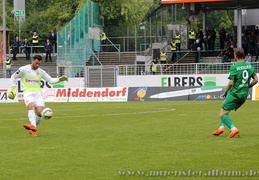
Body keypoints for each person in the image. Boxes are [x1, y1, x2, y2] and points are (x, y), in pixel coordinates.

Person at [8, 55, 68, 136]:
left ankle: (32, 129)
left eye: (39, 64)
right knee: (30, 106)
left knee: (40, 113)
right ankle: (33, 126)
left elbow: (50, 80)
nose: (38, 65)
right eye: (36, 63)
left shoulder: (41, 71)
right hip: (28, 93)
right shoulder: (24, 69)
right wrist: (12, 88)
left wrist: (59, 79)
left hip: (38, 94)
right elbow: (13, 76)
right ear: (32, 61)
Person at [212, 47, 258, 138]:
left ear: (235, 55)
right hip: (244, 95)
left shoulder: (234, 67)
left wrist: (225, 92)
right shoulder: (250, 66)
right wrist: (247, 86)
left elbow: (231, 83)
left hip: (235, 94)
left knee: (222, 113)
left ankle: (233, 129)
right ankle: (221, 128)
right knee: (225, 109)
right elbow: (256, 80)